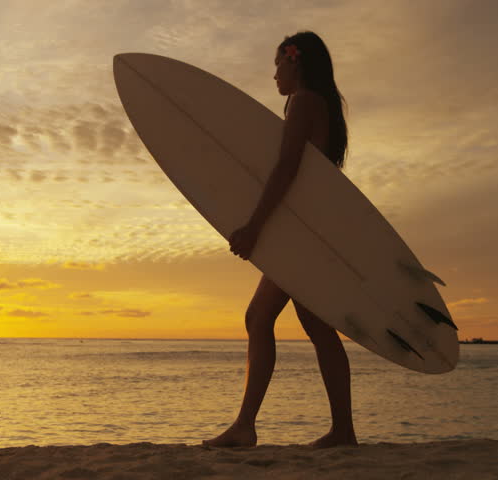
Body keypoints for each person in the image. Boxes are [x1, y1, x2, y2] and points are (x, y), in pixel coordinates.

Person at [203, 31, 356, 448]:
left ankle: (245, 427)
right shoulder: (321, 105)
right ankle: (343, 430)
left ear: (295, 61)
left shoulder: (304, 102)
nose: (273, 74)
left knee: (259, 317)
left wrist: (254, 226)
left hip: (300, 232)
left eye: (277, 64)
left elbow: (288, 167)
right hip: (310, 228)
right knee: (313, 324)